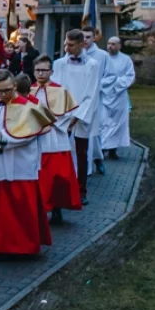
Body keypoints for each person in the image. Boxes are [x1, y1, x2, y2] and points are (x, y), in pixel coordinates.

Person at [0, 70, 55, 257]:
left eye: (6, 90)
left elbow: (28, 135)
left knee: (22, 206)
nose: (3, 95)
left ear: (14, 86)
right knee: (0, 209)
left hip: (22, 164)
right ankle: (1, 246)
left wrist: (3, 138)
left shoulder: (29, 108)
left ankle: (25, 247)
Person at [51, 29, 102, 206]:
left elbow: (91, 93)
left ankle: (81, 190)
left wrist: (77, 116)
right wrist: (61, 113)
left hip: (82, 114)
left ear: (82, 44)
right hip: (62, 114)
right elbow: (56, 90)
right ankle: (62, 189)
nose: (66, 48)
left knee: (81, 153)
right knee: (61, 153)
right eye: (65, 44)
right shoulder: (59, 64)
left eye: (71, 45)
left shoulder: (93, 65)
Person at [32, 55, 82, 225]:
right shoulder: (29, 91)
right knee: (40, 176)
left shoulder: (60, 91)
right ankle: (42, 208)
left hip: (55, 137)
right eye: (37, 70)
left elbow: (72, 113)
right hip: (36, 138)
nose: (40, 73)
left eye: (44, 70)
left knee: (57, 176)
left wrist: (62, 125)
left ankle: (56, 207)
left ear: (51, 71)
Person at [100, 37, 135, 160]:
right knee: (104, 122)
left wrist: (115, 84)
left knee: (118, 123)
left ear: (119, 46)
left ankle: (113, 150)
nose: (110, 46)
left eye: (113, 44)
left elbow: (130, 76)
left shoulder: (126, 60)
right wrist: (106, 84)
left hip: (119, 95)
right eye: (109, 43)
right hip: (104, 95)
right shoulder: (102, 58)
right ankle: (102, 148)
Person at [83, 28, 108, 175]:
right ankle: (82, 166)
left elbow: (109, 76)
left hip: (96, 99)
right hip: (79, 99)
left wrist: (96, 86)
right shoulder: (76, 54)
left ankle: (98, 159)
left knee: (95, 133)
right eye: (83, 37)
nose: (85, 40)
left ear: (94, 38)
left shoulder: (102, 56)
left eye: (88, 37)